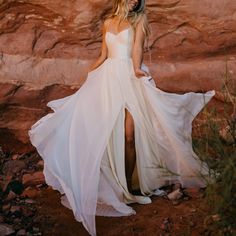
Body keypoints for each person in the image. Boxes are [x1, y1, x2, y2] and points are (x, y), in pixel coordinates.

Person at [28, 0, 215, 235]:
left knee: (129, 135)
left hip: (128, 78)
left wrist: (137, 71)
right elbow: (104, 54)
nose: (134, 0)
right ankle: (121, 188)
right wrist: (88, 79)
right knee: (105, 134)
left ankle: (133, 189)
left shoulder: (139, 21)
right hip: (106, 81)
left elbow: (136, 51)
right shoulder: (107, 22)